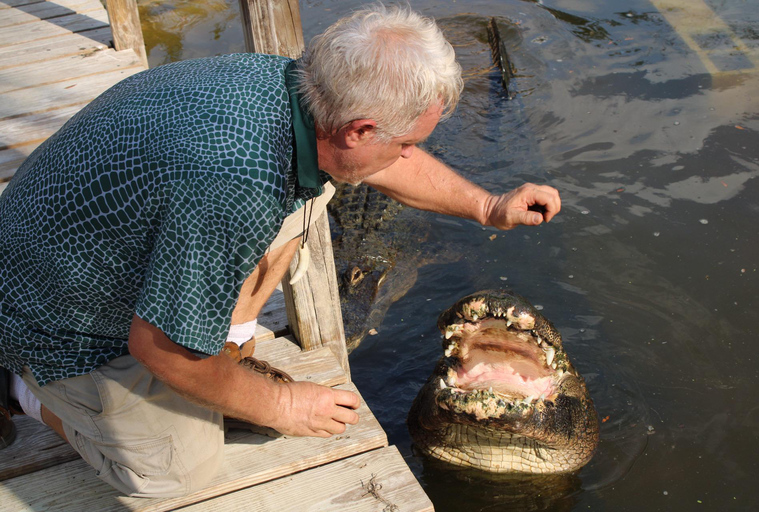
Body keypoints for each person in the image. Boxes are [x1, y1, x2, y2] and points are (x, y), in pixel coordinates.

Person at [0, 4, 561, 498]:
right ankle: (21, 386)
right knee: (173, 471)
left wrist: (488, 206)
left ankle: (227, 339)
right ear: (359, 130)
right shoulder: (234, 183)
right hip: (48, 315)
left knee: (318, 189)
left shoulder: (293, 85)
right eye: (408, 143)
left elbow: (378, 160)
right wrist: (284, 405)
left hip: (77, 236)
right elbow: (160, 349)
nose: (410, 155)